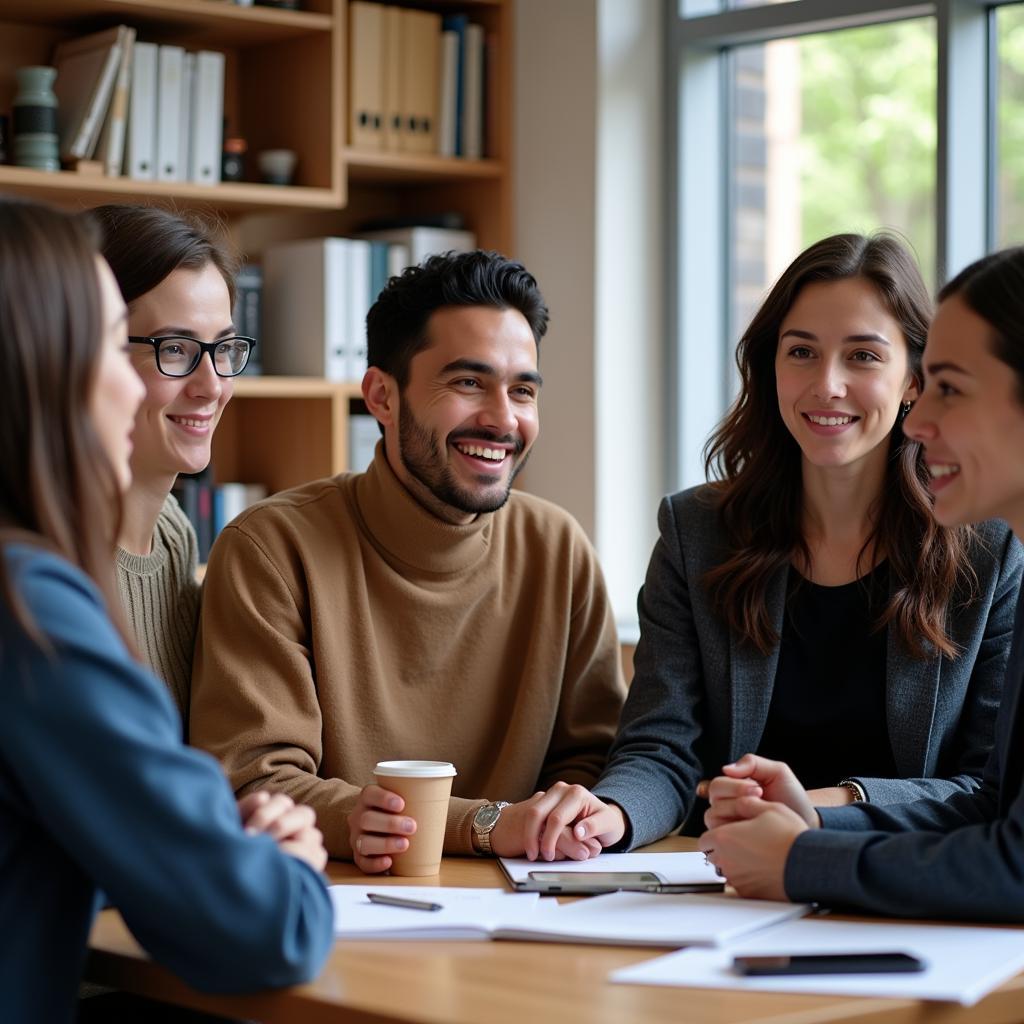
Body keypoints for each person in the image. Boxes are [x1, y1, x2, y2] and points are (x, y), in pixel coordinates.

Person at [524, 232, 1022, 859]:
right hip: (727, 883)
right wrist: (613, 814)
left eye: (863, 356)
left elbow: (985, 785)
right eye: (802, 352)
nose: (827, 385)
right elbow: (659, 746)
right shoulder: (695, 531)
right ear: (771, 366)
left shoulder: (990, 550)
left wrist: (821, 805)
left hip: (901, 880)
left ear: (913, 383)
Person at [0, 197, 332, 1023]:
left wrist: (209, 838)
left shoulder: (165, 545)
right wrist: (276, 866)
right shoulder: (30, 605)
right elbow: (265, 927)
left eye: (224, 350)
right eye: (119, 345)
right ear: (41, 366)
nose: (211, 384)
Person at [189, 250, 627, 873]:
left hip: (528, 907)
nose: (504, 419)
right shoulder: (272, 548)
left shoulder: (558, 548)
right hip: (339, 909)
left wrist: (568, 818)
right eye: (468, 383)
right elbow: (254, 781)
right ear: (382, 396)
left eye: (522, 390)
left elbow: (593, 762)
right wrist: (482, 824)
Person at [699, 245, 1024, 921]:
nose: (920, 422)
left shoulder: (994, 558)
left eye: (950, 387)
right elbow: (992, 804)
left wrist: (800, 858)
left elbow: (1014, 859)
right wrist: (812, 821)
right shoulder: (699, 527)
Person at [89, 204, 252, 721]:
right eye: (176, 349)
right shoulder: (47, 560)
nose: (212, 387)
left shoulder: (174, 535)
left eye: (224, 348)